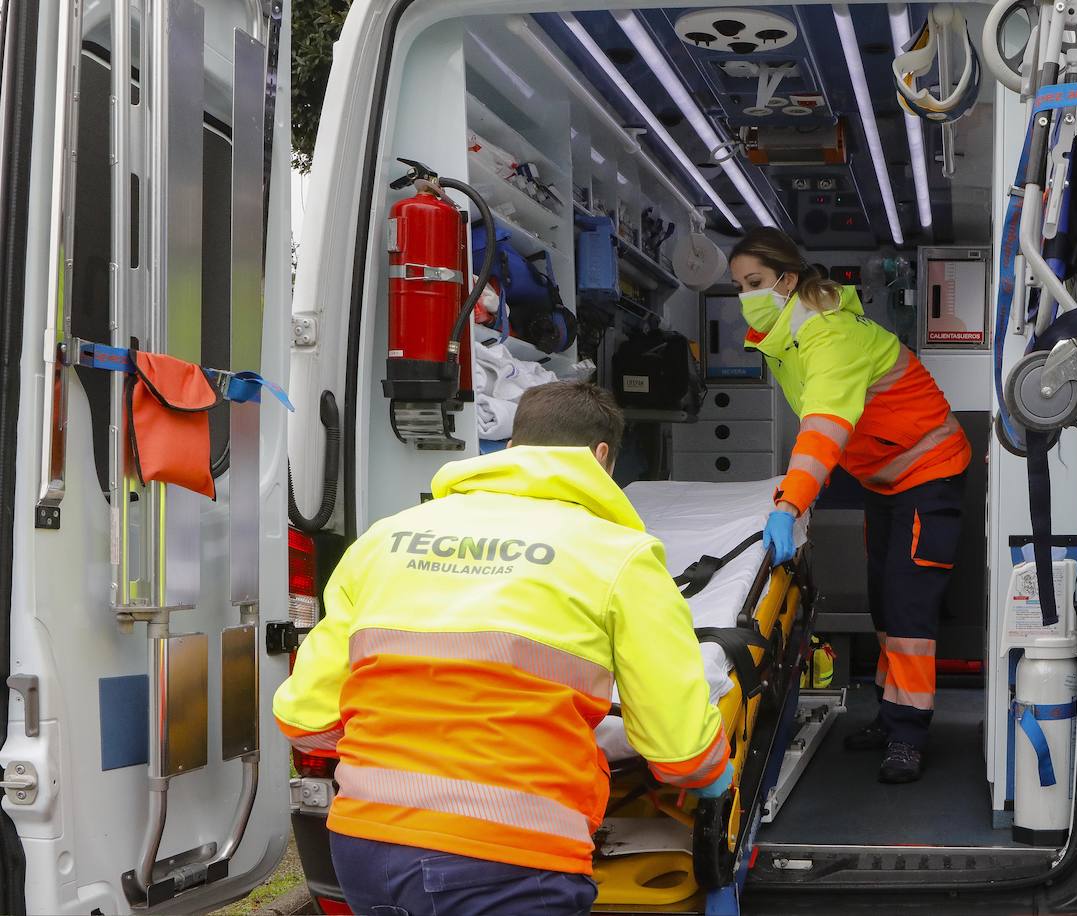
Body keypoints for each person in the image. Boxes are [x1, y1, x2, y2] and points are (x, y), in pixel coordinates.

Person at [274, 381, 732, 915]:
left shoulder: (385, 538)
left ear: (511, 450)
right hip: (507, 858)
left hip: (364, 849)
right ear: (603, 457)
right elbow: (678, 750)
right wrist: (709, 774)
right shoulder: (620, 558)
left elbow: (305, 717)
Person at [729, 227, 971, 784]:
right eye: (739, 284)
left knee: (909, 608)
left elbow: (822, 429)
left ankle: (910, 734)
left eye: (756, 282)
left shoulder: (828, 337)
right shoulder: (791, 336)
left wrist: (789, 505)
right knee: (886, 601)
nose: (746, 295)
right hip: (884, 478)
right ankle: (892, 716)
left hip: (927, 473)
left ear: (787, 280)